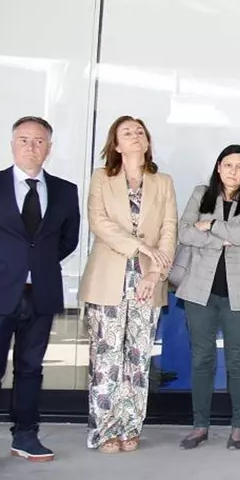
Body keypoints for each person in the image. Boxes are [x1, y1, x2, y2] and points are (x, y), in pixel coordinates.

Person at [0, 116, 81, 473]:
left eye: (39, 141)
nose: (31, 146)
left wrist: (36, 266)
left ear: (49, 148)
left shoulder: (65, 191)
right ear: (12, 144)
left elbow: (67, 241)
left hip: (41, 294)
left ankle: (25, 436)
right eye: (23, 140)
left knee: (31, 369)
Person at [79, 115, 177, 453]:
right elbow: (99, 222)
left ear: (147, 142)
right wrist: (140, 248)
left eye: (140, 132)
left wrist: (154, 273)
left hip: (147, 281)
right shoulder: (101, 179)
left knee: (138, 358)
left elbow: (169, 230)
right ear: (116, 145)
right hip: (108, 278)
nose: (135, 136)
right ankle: (104, 430)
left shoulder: (163, 182)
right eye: (127, 133)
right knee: (106, 357)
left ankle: (130, 426)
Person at [173, 145, 240, 451]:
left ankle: (238, 426)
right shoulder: (201, 194)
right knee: (202, 358)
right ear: (218, 167)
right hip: (200, 290)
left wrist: (211, 225)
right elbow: (184, 232)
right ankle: (200, 425)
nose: (233, 171)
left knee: (238, 360)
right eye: (228, 165)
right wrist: (223, 239)